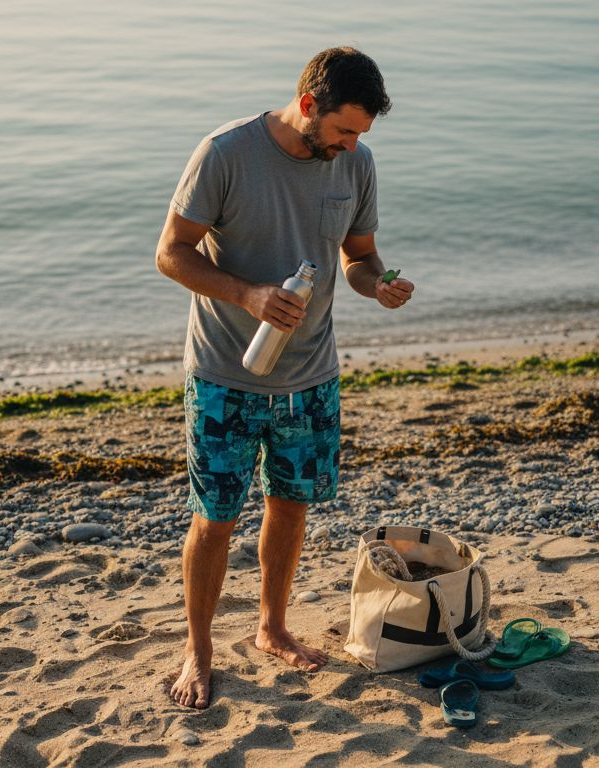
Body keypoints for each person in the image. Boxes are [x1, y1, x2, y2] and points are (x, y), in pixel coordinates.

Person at [155, 47, 414, 709]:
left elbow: (358, 258)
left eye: (360, 135)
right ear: (308, 106)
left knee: (290, 508)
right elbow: (171, 254)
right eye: (343, 131)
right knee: (215, 520)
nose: (352, 145)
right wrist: (246, 295)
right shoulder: (226, 153)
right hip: (224, 374)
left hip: (311, 375)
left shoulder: (354, 163)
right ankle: (199, 650)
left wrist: (377, 284)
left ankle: (271, 628)